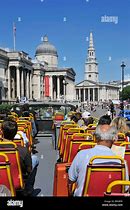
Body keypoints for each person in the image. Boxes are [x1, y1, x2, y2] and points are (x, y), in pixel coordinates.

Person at [68, 124, 129, 196]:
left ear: (96, 138)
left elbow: (71, 180)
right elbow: (125, 188)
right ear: (114, 139)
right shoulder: (121, 162)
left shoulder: (82, 154)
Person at [1, 120, 39, 196]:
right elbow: (29, 169)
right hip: (17, 182)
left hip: (2, 181)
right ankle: (28, 189)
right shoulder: (23, 150)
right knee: (35, 159)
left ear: (1, 132)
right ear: (15, 133)